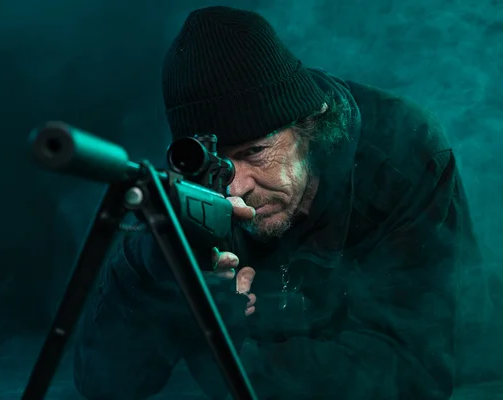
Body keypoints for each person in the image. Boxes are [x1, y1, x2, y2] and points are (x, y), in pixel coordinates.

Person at [73, 6, 482, 400]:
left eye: (255, 152)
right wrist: (157, 272)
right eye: (217, 164)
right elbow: (105, 382)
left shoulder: (404, 153)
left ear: (310, 126)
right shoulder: (199, 195)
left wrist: (219, 346)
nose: (235, 189)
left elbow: (413, 371)